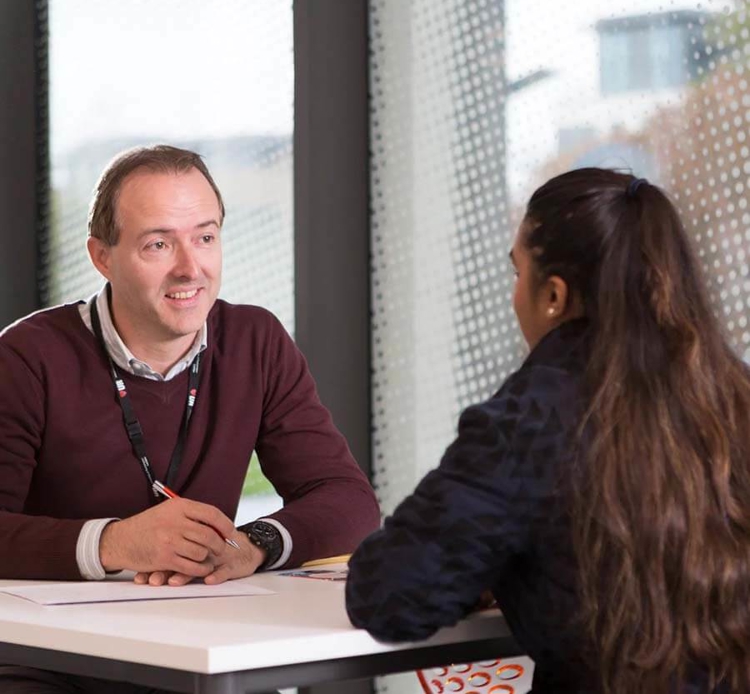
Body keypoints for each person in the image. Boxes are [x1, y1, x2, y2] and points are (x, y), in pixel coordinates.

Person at [345, 168, 750, 694]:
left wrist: (493, 563)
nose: (515, 295)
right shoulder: (732, 397)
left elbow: (387, 593)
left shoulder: (531, 420)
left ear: (554, 295)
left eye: (518, 274)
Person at [0, 144, 380, 693]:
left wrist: (252, 546)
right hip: (53, 664)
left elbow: (348, 500)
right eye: (158, 243)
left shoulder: (256, 341)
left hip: (200, 654)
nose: (190, 267)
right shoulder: (27, 357)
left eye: (205, 237)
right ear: (102, 257)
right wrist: (117, 543)